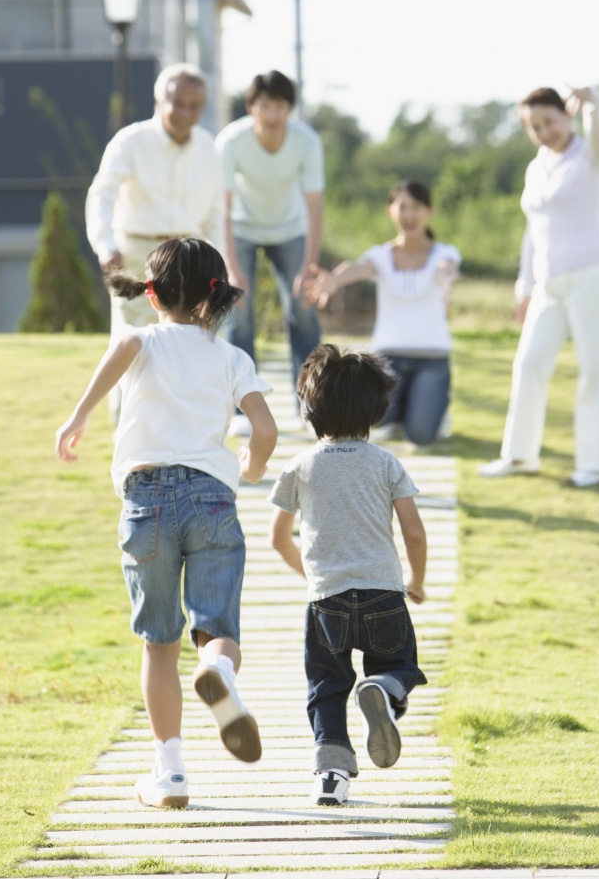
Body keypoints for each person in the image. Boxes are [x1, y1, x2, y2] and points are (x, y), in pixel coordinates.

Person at [54, 237, 278, 810]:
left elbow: (120, 350)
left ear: (151, 294)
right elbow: (266, 430)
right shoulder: (232, 358)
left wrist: (77, 417)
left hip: (146, 500)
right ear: (216, 294)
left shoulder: (141, 338)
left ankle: (170, 773)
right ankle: (218, 671)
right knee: (216, 627)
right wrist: (249, 468)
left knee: (159, 644)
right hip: (212, 501)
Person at [268, 344, 427, 806]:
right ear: (377, 409)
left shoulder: (299, 467)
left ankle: (332, 776)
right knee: (397, 664)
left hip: (326, 600)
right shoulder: (385, 463)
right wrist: (415, 580)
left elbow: (278, 537)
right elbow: (414, 533)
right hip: (383, 594)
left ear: (308, 409)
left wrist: (313, 576)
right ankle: (385, 688)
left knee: (327, 687)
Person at [479, 85, 599, 488]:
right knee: (528, 364)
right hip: (548, 282)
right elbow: (533, 229)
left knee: (596, 368)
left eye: (550, 122)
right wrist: (525, 284)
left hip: (593, 274)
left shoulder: (590, 156)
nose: (544, 132)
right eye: (534, 126)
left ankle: (596, 463)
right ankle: (520, 455)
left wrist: (592, 105)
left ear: (567, 116)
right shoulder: (536, 166)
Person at [85, 63, 224, 421]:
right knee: (131, 345)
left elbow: (214, 213)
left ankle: (175, 445)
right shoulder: (131, 141)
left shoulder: (208, 147)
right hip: (136, 254)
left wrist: (221, 269)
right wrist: (106, 247)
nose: (185, 113)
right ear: (159, 100)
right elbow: (101, 196)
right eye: (177, 103)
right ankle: (127, 445)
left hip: (191, 260)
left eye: (195, 106)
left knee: (186, 351)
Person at [305, 180, 460, 446]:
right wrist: (334, 281)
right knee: (373, 424)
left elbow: (447, 268)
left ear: (429, 211)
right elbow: (357, 268)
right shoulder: (380, 256)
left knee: (421, 436)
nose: (409, 215)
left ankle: (431, 406)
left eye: (416, 207)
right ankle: (405, 407)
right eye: (402, 207)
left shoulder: (444, 253)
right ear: (390, 211)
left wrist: (446, 283)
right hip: (388, 362)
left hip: (432, 360)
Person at [215, 70, 324, 430]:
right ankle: (244, 410)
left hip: (290, 229)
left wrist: (309, 266)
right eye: (265, 106)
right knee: (238, 312)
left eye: (279, 106)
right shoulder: (231, 141)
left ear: (289, 108)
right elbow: (222, 208)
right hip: (242, 228)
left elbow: (315, 207)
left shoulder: (306, 141)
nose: (273, 115)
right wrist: (232, 268)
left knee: (302, 309)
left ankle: (312, 406)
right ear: (251, 107)